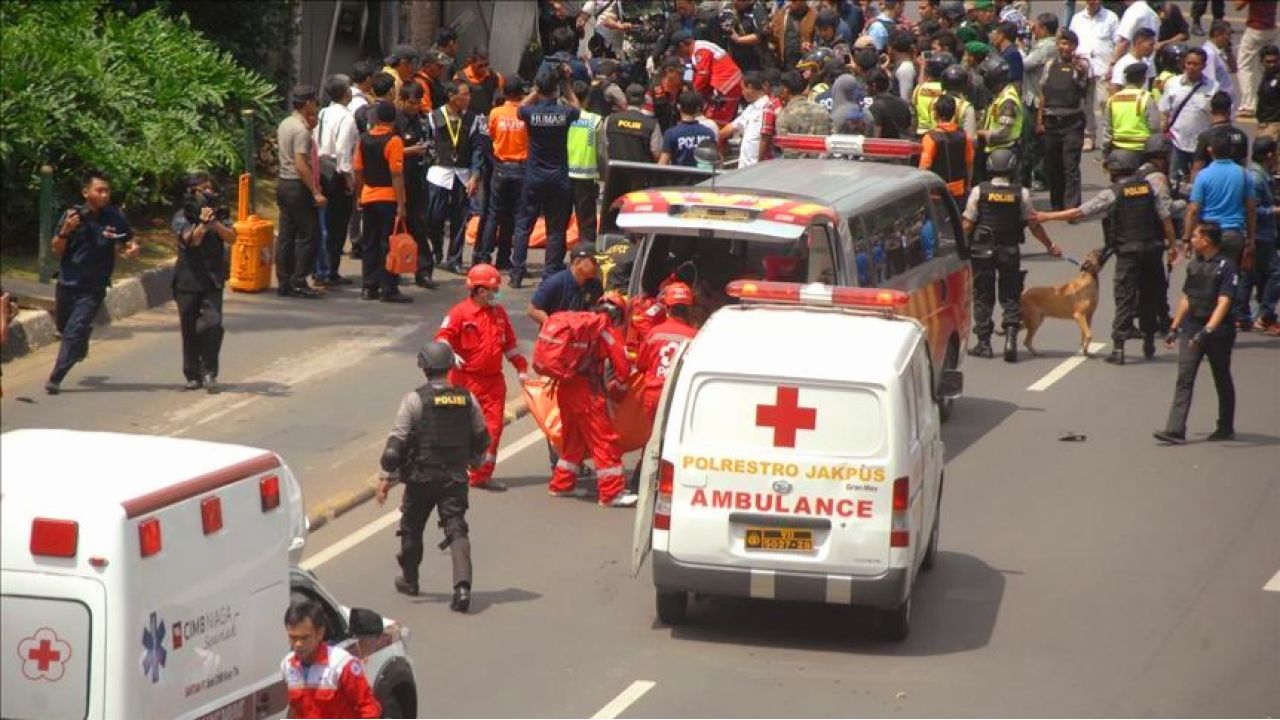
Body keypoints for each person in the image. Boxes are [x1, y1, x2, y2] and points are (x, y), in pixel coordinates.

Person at [376, 341, 489, 609]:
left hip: (421, 478)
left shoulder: (414, 400)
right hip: (455, 478)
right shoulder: (468, 399)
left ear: (424, 368)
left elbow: (394, 448)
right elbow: (482, 438)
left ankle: (410, 580)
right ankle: (462, 588)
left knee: (411, 526)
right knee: (456, 527)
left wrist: (386, 479)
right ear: (449, 367)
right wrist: (475, 462)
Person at [1038, 149, 1179, 363]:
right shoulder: (1150, 188)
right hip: (1152, 250)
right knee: (1150, 297)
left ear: (1114, 170)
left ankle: (1119, 349)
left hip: (1128, 252)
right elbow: (1165, 218)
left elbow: (1080, 212)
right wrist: (1173, 246)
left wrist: (1047, 216)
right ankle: (1149, 342)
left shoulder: (1112, 193)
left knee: (1124, 298)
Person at [433, 264, 528, 491]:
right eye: (494, 290)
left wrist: (521, 367)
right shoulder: (459, 313)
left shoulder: (499, 314)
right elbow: (442, 337)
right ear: (481, 290)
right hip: (465, 381)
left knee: (492, 430)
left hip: (494, 383)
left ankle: (481, 476)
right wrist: (450, 353)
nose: (498, 294)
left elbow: (510, 346)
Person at [961, 149, 1062, 362]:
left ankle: (984, 344)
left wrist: (957, 246)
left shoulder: (979, 191)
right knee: (1010, 296)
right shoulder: (1021, 193)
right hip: (1009, 250)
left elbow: (968, 224)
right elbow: (1033, 225)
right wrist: (1050, 245)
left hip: (982, 252)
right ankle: (1010, 340)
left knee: (983, 296)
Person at [45, 171, 139, 395]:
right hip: (68, 282)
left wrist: (133, 247)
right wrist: (66, 231)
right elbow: (56, 249)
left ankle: (56, 377)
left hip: (94, 285)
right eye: (99, 190)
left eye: (107, 191)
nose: (104, 195)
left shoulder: (115, 217)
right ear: (86, 192)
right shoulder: (72, 216)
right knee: (64, 327)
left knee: (73, 330)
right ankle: (81, 341)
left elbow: (129, 239)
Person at [547, 296, 638, 508]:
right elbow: (623, 367)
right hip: (587, 393)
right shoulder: (605, 330)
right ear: (618, 315)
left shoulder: (582, 325)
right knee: (605, 441)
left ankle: (561, 484)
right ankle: (611, 492)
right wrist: (620, 388)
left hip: (565, 388)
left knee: (573, 440)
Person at [1153, 221, 1237, 444]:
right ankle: (1175, 430)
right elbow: (1187, 298)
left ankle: (1225, 426)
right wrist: (1174, 328)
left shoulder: (1226, 267)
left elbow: (1224, 302)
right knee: (1185, 377)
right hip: (1191, 327)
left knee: (1221, 376)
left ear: (1206, 240)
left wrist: (1207, 330)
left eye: (1195, 236)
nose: (1191, 240)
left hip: (1218, 332)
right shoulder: (1195, 265)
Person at [509, 66, 580, 288]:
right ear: (556, 90)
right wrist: (566, 83)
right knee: (555, 229)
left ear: (539, 89)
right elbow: (577, 107)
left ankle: (516, 273)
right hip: (558, 178)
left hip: (534, 177)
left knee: (524, 226)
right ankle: (549, 275)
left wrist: (535, 90)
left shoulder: (531, 113)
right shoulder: (564, 113)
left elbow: (520, 107)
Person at [171, 174, 234, 393]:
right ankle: (192, 374)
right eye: (202, 189)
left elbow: (232, 237)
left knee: (212, 324)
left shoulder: (220, 213)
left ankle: (209, 372)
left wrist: (215, 224)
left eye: (210, 188)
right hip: (187, 280)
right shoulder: (182, 216)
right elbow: (191, 241)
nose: (208, 192)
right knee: (189, 328)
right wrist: (203, 226)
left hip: (212, 279)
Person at [1186, 133, 1257, 325]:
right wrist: (1251, 237)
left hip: (1208, 235)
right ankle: (1223, 321)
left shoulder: (1203, 175)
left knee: (1203, 278)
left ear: (1210, 151)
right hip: (1234, 234)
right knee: (1228, 281)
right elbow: (1251, 208)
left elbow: (1193, 209)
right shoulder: (1244, 174)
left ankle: (1203, 321)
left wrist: (1187, 237)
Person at [353, 100, 413, 303]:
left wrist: (359, 195)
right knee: (388, 244)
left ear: (376, 119)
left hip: (368, 195)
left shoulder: (363, 140)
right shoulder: (394, 141)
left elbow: (358, 170)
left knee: (369, 242)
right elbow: (397, 174)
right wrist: (401, 204)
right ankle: (388, 288)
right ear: (394, 120)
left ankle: (368, 287)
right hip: (388, 198)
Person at [281, 601, 380, 718]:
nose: (298, 644)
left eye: (304, 638)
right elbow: (295, 708)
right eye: (293, 637)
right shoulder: (287, 665)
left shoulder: (342, 665)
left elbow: (369, 709)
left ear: (320, 633)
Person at [426, 82, 487, 276]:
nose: (468, 98)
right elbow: (427, 144)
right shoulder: (433, 117)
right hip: (439, 173)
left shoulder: (473, 119)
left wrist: (475, 175)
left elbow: (478, 149)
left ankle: (455, 259)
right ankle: (436, 248)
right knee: (434, 216)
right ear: (452, 96)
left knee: (460, 219)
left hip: (462, 174)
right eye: (464, 94)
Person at [276, 85, 325, 299]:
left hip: (283, 183)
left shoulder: (285, 123)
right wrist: (315, 191)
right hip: (297, 185)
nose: (315, 106)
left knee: (286, 235)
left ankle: (284, 280)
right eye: (313, 102)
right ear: (307, 104)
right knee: (309, 234)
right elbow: (301, 163)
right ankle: (299, 280)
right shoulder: (301, 129)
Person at [478, 76, 529, 270]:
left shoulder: (495, 113)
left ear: (504, 93)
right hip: (521, 168)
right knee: (514, 216)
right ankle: (504, 257)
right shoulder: (526, 113)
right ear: (521, 93)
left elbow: (491, 137)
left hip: (500, 167)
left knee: (493, 214)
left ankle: (484, 257)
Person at [313, 75, 358, 287]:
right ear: (345, 93)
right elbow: (342, 150)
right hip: (337, 174)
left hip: (321, 169)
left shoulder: (322, 113)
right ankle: (331, 270)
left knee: (324, 223)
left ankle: (320, 268)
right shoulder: (347, 118)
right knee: (338, 225)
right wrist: (348, 178)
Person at [1039, 29, 1091, 210]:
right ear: (1058, 45)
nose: (1066, 47)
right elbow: (1043, 93)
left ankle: (1072, 208)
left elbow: (1084, 89)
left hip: (1072, 123)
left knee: (1071, 167)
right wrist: (1039, 122)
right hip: (1051, 122)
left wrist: (1080, 73)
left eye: (1070, 44)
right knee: (1053, 166)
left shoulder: (1082, 65)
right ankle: (1057, 204)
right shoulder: (1050, 65)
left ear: (1075, 46)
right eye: (1063, 43)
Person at [635, 281, 698, 425]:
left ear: (668, 307)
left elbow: (640, 365)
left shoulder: (654, 333)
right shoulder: (695, 336)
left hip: (654, 395)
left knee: (653, 436)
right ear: (689, 309)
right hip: (679, 395)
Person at [1158, 47, 1218, 180]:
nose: (1191, 67)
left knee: (1200, 182)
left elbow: (1217, 117)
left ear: (1203, 66)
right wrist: (1163, 134)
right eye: (1188, 63)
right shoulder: (1172, 83)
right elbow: (1164, 112)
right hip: (1177, 143)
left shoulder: (1214, 87)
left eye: (1195, 64)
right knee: (1174, 181)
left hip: (1202, 146)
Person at [1070, 0, 1120, 152]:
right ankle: (1088, 136)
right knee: (1086, 104)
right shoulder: (1077, 18)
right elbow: (1072, 41)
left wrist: (1113, 65)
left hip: (1103, 69)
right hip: (1083, 68)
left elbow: (1118, 43)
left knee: (1105, 102)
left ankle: (1108, 138)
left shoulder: (1111, 18)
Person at [1243, 136, 1280, 332]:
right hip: (1260, 234)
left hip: (1261, 234)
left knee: (1252, 275)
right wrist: (1274, 211)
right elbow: (1253, 210)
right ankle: (1265, 317)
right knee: (1275, 274)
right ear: (1270, 155)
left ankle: (1242, 315)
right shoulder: (1257, 178)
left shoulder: (1260, 175)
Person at [673, 31, 744, 126]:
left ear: (681, 45)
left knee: (714, 121)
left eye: (677, 50)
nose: (677, 54)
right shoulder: (691, 53)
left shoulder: (701, 49)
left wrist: (691, 95)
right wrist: (687, 87)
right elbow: (689, 71)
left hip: (726, 83)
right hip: (721, 83)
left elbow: (703, 76)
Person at [567, 81, 605, 246]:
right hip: (586, 176)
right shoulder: (595, 120)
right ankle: (587, 253)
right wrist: (604, 174)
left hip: (564, 173)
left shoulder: (563, 117)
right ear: (588, 98)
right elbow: (601, 151)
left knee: (560, 220)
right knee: (587, 221)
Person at [976, 55, 1023, 181]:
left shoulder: (1008, 100)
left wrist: (981, 133)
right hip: (996, 149)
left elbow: (1004, 131)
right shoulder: (999, 96)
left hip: (1005, 152)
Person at [919, 95, 974, 200]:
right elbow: (969, 163)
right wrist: (968, 185)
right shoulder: (964, 136)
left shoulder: (931, 137)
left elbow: (924, 167)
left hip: (937, 192)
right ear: (954, 113)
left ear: (936, 113)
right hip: (959, 190)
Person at [1100, 61, 1159, 157]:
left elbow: (1107, 130)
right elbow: (1155, 127)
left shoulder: (1113, 99)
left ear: (1126, 79)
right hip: (1142, 150)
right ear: (1143, 79)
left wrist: (1105, 153)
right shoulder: (1146, 98)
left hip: (1118, 148)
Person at [719, 71, 776, 167]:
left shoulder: (768, 107)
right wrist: (715, 138)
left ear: (750, 87)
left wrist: (759, 163)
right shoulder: (750, 109)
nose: (742, 93)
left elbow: (765, 139)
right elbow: (731, 127)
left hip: (759, 167)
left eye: (743, 89)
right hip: (745, 166)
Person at [1189, 91, 1249, 179]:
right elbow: (1243, 166)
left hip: (1211, 184)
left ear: (1211, 111)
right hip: (1235, 183)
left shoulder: (1205, 137)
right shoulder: (1240, 136)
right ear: (1229, 110)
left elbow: (1198, 169)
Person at [1237, 1, 1278, 120]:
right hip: (1270, 28)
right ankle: (1263, 101)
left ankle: (1248, 105)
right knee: (1264, 68)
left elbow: (1238, 5)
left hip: (1255, 29)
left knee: (1245, 66)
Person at [603, 83, 663, 163]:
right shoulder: (652, 125)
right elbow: (657, 154)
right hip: (640, 170)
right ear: (644, 101)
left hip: (614, 169)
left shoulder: (610, 120)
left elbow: (603, 145)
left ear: (626, 99)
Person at [660, 91, 718, 167]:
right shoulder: (709, 133)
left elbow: (663, 163)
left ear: (678, 107)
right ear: (698, 109)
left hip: (679, 174)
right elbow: (715, 162)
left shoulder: (671, 134)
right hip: (703, 174)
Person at [776, 70, 833, 146]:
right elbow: (832, 137)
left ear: (785, 90)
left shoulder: (784, 115)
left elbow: (784, 145)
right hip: (822, 153)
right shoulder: (822, 110)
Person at [1201, 20, 1237, 113]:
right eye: (1227, 34)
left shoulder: (1217, 52)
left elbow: (1233, 68)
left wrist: (1228, 50)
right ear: (1217, 34)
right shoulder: (1210, 54)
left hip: (1226, 105)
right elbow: (1209, 83)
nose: (1229, 38)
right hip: (1220, 107)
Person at [770, 0, 818, 68]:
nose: (791, 2)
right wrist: (769, 32)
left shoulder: (813, 15)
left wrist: (811, 46)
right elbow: (775, 37)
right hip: (786, 64)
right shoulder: (782, 14)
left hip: (806, 64)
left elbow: (819, 40)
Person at [911, 53, 950, 136]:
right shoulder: (947, 91)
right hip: (940, 134)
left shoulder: (919, 89)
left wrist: (922, 67)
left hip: (921, 133)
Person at [1109, 26, 1156, 94]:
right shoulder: (1123, 64)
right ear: (1138, 43)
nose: (1153, 48)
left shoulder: (1147, 62)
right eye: (1151, 45)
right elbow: (1115, 91)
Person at [1257, 45, 1280, 141]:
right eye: (1268, 62)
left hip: (1275, 125)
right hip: (1263, 124)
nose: (1272, 64)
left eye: (1275, 61)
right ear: (1261, 61)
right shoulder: (1267, 75)